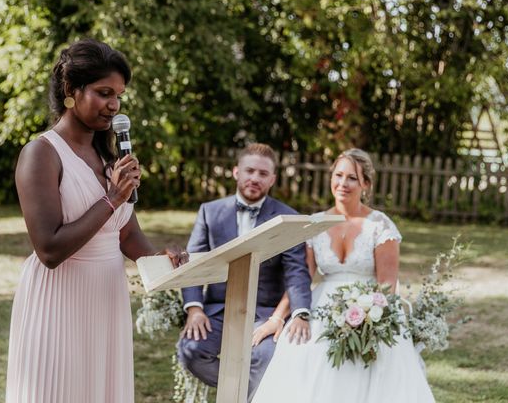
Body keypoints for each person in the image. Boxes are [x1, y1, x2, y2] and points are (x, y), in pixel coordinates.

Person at [6, 38, 187, 403]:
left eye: (119, 95)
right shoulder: (41, 154)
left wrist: (158, 257)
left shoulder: (109, 154)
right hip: (59, 299)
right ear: (72, 91)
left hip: (106, 296)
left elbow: (125, 232)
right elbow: (49, 248)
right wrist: (113, 197)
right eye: (104, 93)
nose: (114, 105)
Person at [251, 149, 435, 402]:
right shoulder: (315, 223)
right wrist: (277, 317)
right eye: (338, 175)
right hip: (322, 306)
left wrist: (370, 321)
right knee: (302, 347)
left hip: (373, 308)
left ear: (366, 184)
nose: (343, 184)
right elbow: (302, 277)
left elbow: (387, 287)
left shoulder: (380, 226)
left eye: (352, 178)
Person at [177, 143, 313, 402]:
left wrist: (300, 313)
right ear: (236, 172)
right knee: (191, 350)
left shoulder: (288, 217)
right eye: (249, 170)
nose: (254, 178)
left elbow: (297, 271)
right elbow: (193, 264)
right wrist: (194, 309)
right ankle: (249, 395)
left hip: (263, 314)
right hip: (217, 310)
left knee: (265, 356)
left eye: (263, 174)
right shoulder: (210, 212)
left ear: (272, 179)